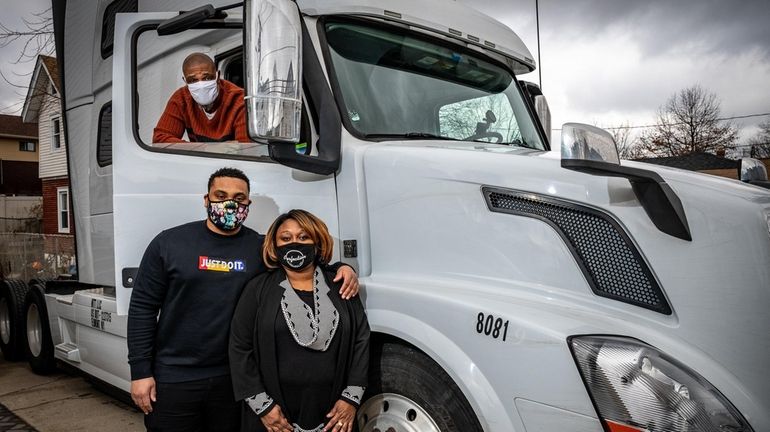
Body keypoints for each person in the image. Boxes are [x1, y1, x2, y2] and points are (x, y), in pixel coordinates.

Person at [127, 168, 359, 432]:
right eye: (221, 195)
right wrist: (140, 371)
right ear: (206, 199)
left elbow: (300, 262)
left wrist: (341, 267)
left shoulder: (259, 248)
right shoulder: (169, 243)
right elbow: (143, 308)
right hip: (174, 378)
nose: (230, 204)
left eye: (239, 198)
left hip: (232, 381)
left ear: (248, 204)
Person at [230, 209, 370, 432]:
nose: (294, 243)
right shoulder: (257, 289)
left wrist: (351, 398)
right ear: (275, 247)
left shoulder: (340, 284)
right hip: (274, 413)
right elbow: (239, 347)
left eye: (304, 237)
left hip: (334, 411)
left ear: (318, 242)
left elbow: (361, 340)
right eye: (285, 238)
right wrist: (263, 407)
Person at [153, 52, 250, 143]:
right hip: (198, 161)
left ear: (217, 76)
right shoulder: (181, 99)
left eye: (207, 78)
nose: (201, 85)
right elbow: (159, 139)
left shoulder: (239, 101)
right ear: (185, 81)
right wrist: (206, 149)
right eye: (193, 80)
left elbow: (246, 148)